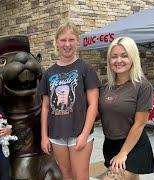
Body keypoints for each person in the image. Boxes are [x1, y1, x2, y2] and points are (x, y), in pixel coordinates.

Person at [38, 21, 100, 180]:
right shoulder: (49, 73)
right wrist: (44, 136)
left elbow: (93, 104)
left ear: (77, 41)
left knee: (81, 176)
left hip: (79, 133)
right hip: (56, 134)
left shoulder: (85, 69)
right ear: (56, 43)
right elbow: (45, 107)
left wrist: (85, 134)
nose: (67, 44)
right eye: (63, 40)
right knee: (66, 175)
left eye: (71, 40)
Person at [99, 36, 154, 180]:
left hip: (133, 146)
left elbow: (140, 123)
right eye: (114, 56)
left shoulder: (142, 86)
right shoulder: (105, 88)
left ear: (133, 58)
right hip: (110, 144)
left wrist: (123, 153)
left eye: (124, 56)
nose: (119, 61)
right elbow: (98, 115)